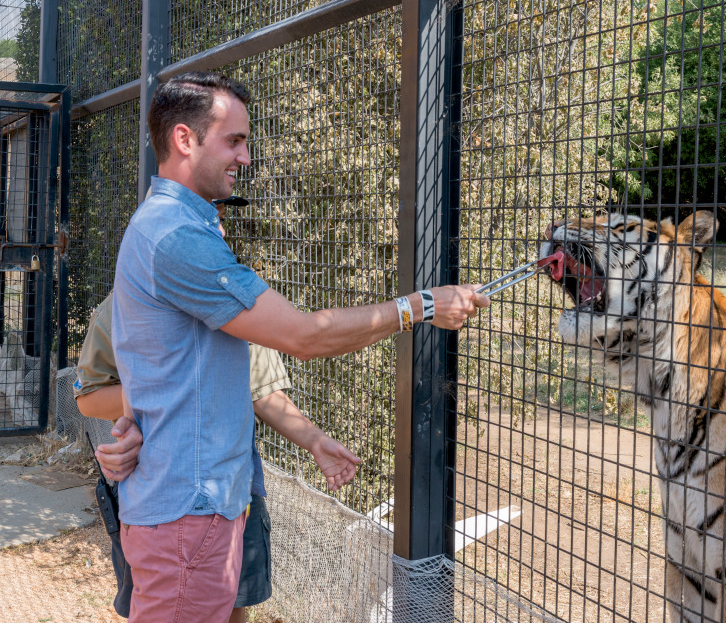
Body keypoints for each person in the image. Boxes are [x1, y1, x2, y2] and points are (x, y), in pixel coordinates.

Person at [109, 70, 488, 622]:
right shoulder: (177, 238)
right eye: (233, 140)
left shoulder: (174, 225)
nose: (245, 156)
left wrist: (136, 419)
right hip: (187, 514)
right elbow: (304, 336)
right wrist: (421, 307)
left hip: (192, 504)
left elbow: (152, 352)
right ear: (184, 140)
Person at [76, 198, 360, 622]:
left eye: (221, 219)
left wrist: (315, 441)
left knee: (233, 608)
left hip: (235, 488)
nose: (218, 230)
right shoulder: (130, 300)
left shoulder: (240, 296)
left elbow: (262, 392)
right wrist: (168, 393)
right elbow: (89, 394)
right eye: (204, 220)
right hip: (163, 496)